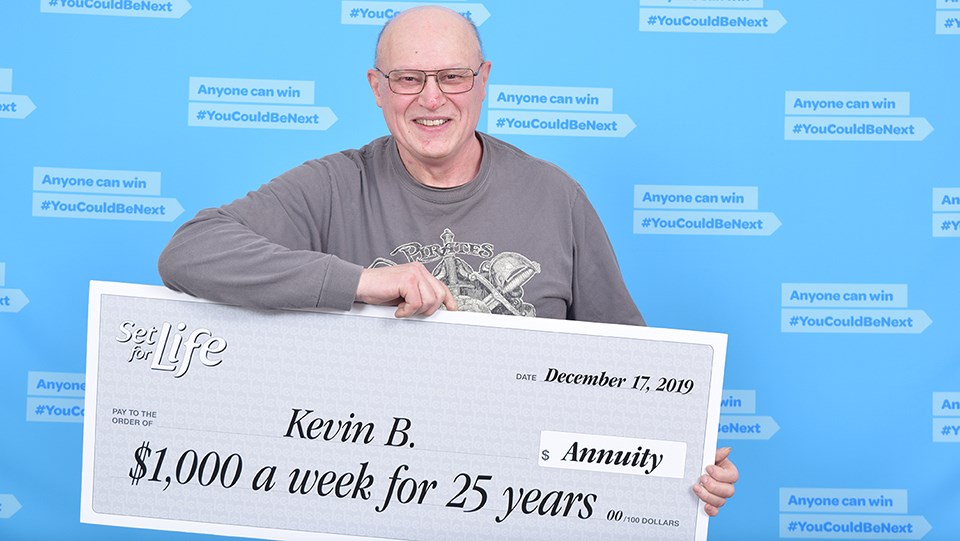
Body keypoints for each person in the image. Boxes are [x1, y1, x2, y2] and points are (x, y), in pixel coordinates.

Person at [158, 5, 737, 515]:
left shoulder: (556, 197)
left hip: (527, 512)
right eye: (408, 78)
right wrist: (361, 282)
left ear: (483, 81)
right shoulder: (333, 186)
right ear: (377, 87)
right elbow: (190, 251)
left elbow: (632, 374)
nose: (431, 99)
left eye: (452, 77)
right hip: (369, 506)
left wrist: (682, 460)